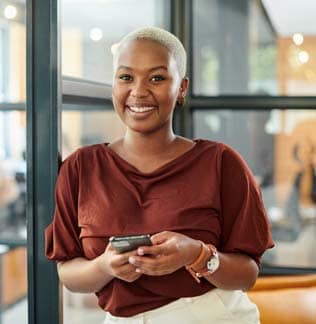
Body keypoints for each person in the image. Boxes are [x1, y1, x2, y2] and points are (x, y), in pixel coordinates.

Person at [45, 26, 274, 324]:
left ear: (181, 88)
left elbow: (247, 275)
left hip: (211, 316)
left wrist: (196, 254)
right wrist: (105, 266)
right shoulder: (81, 167)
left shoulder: (221, 163)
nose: (138, 91)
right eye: (126, 77)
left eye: (157, 78)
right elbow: (69, 273)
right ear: (114, 84)